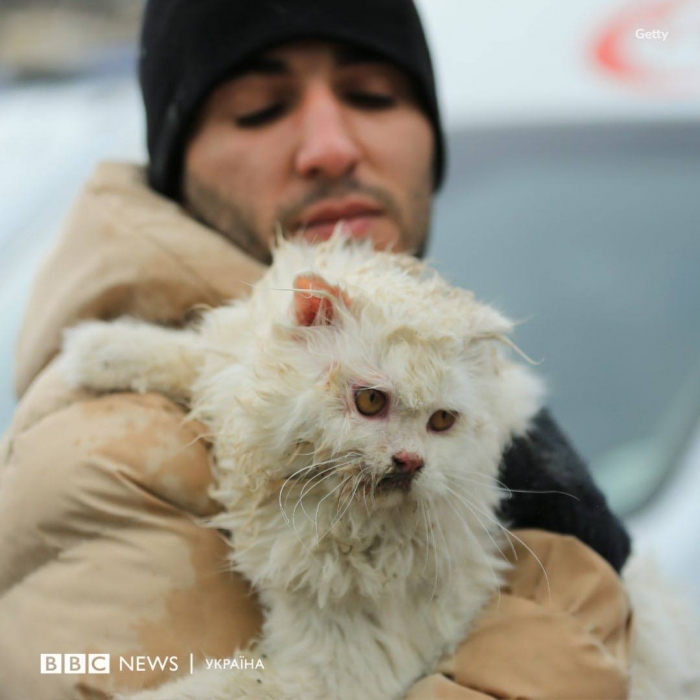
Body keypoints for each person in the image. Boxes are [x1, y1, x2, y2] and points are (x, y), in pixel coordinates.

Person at [0, 1, 632, 698]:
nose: (330, 146)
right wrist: (571, 609)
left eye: (372, 96)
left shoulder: (430, 343)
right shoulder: (109, 449)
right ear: (176, 160)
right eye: (259, 108)